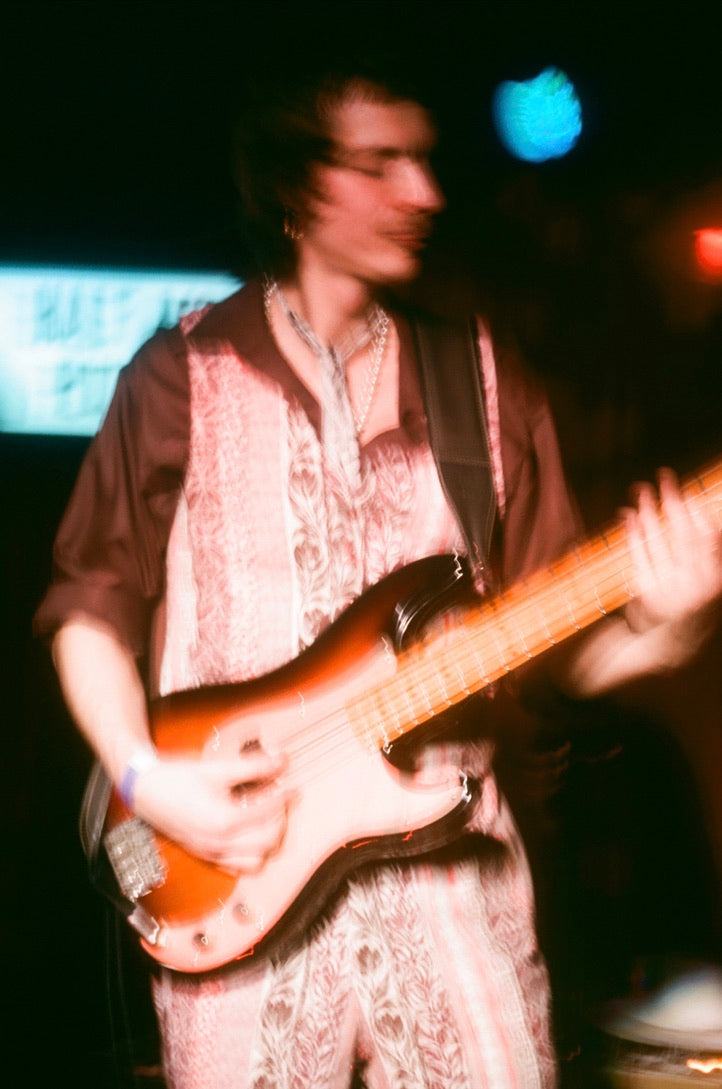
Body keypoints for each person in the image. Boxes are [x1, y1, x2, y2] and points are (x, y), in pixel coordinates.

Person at [35, 54, 722, 1089]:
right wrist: (145, 777)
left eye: (425, 161)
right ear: (293, 188)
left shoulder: (482, 379)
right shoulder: (177, 373)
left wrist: (667, 623)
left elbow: (566, 660)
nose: (424, 193)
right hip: (233, 878)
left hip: (456, 908)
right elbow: (88, 605)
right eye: (381, 164)